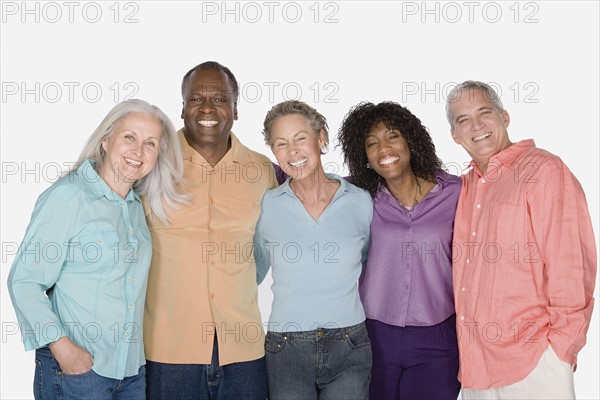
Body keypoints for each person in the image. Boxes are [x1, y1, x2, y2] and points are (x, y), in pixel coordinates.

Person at [7, 99, 186, 399]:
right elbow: (24, 281)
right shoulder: (68, 197)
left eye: (150, 143)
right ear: (106, 140)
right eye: (129, 137)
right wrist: (62, 348)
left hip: (131, 373)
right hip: (77, 372)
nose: (138, 152)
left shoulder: (136, 207)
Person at [446, 80, 597, 399]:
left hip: (535, 364)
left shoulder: (543, 169)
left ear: (505, 116)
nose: (476, 126)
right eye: (463, 120)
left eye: (484, 112)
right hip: (476, 370)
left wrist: (561, 352)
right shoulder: (464, 187)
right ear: (454, 135)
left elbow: (571, 263)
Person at [143, 61, 276, 399]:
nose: (206, 108)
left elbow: (262, 251)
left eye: (219, 99)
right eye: (195, 99)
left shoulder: (260, 169)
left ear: (235, 109)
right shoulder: (152, 161)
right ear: (183, 107)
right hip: (168, 349)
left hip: (243, 350)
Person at [338, 101, 462, 400]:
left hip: (437, 337)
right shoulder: (357, 196)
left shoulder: (456, 192)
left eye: (392, 135)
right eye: (372, 143)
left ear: (410, 139)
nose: (383, 148)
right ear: (364, 156)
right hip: (373, 335)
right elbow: (305, 182)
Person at [254, 100, 373, 400]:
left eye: (300, 139)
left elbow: (368, 261)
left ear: (320, 139)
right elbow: (252, 271)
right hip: (286, 347)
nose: (292, 152)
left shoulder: (360, 202)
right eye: (281, 144)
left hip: (350, 342)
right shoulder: (267, 206)